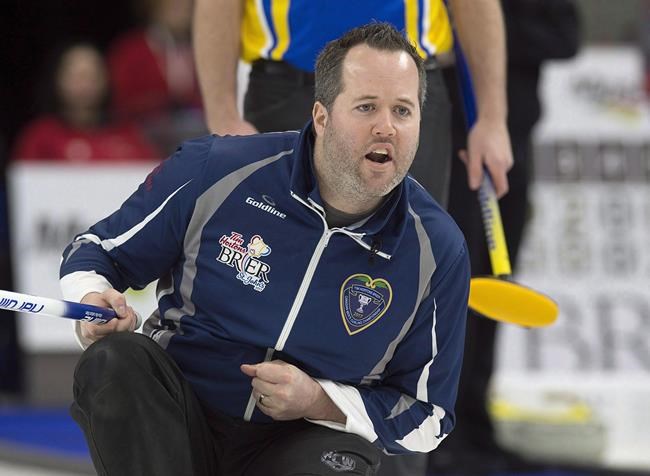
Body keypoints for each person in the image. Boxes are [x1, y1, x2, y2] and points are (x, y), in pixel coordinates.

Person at [61, 23, 470, 476]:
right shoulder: (219, 169)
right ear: (322, 117)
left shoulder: (437, 248)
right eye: (366, 107)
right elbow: (97, 249)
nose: (386, 128)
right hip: (180, 416)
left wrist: (320, 400)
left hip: (303, 441)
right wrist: (91, 299)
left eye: (403, 111)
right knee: (113, 362)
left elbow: (430, 416)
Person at [437, 0, 581, 472]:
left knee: (496, 289)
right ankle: (443, 434)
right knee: (456, 291)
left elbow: (566, 35)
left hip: (510, 143)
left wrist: (482, 35)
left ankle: (476, 425)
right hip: (454, 138)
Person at [193, 0, 513, 208]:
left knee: (408, 256)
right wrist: (223, 116)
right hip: (287, 88)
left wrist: (492, 119)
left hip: (407, 86)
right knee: (277, 254)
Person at [12, 42, 159, 162]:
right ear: (57, 80)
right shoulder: (40, 137)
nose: (85, 83)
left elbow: (149, 179)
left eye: (92, 75)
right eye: (77, 76)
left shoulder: (127, 136)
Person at [108, 0, 206, 154]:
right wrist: (163, 103)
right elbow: (121, 103)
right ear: (155, 8)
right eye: (173, 6)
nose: (181, 12)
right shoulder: (130, 50)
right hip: (144, 134)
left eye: (186, 6)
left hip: (196, 134)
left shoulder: (203, 49)